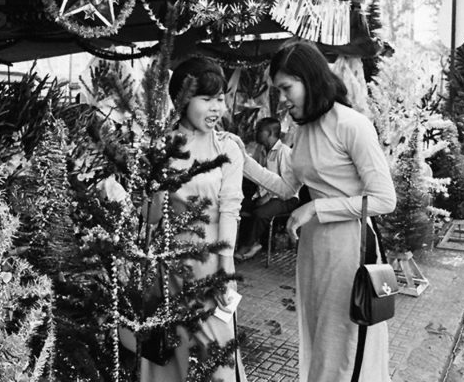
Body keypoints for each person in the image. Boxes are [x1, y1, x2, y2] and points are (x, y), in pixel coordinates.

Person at [230, 41, 396, 382]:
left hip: (350, 246)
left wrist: (318, 208)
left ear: (309, 78)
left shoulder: (352, 125)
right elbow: (288, 187)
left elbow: (383, 199)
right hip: (314, 248)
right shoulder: (301, 129)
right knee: (317, 333)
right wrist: (243, 160)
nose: (283, 98)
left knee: (344, 339)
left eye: (287, 88)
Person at [141, 57, 247, 382]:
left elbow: (231, 210)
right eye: (207, 98)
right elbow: (151, 218)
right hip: (170, 270)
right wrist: (155, 186)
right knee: (171, 356)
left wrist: (225, 272)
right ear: (183, 99)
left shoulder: (227, 147)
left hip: (211, 268)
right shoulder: (162, 146)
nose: (217, 107)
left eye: (220, 98)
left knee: (219, 362)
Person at [235, 117, 299, 260]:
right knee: (238, 206)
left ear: (270, 133)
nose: (256, 132)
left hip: (286, 198)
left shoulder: (284, 152)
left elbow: (289, 185)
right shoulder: (261, 151)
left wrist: (268, 197)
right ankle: (253, 242)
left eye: (259, 130)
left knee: (261, 214)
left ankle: (248, 246)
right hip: (264, 195)